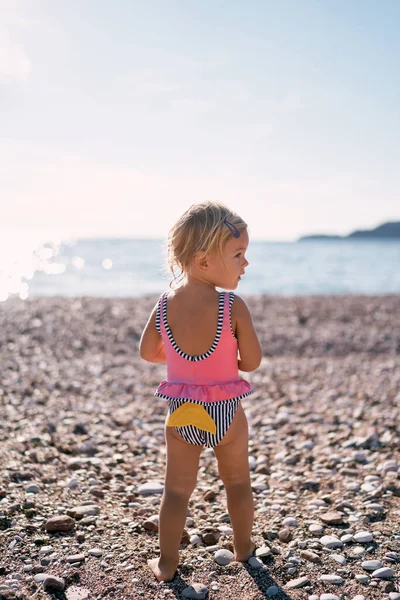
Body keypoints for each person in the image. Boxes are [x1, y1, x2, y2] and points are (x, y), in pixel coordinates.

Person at [139, 201, 262, 582]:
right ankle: (243, 549)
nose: (245, 263)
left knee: (176, 491)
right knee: (238, 481)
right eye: (238, 254)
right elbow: (252, 362)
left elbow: (147, 352)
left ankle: (167, 564)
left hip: (183, 413)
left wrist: (177, 357)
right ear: (204, 261)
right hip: (227, 411)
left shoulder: (164, 305)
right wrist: (231, 357)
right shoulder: (231, 305)